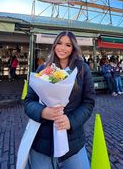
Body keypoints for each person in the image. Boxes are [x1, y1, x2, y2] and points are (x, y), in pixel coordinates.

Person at [24, 31, 95, 168]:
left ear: (73, 47)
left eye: (68, 45)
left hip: (73, 141)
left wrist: (71, 121)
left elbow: (88, 102)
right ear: (54, 45)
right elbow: (29, 101)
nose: (62, 48)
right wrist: (43, 112)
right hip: (41, 141)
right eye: (59, 43)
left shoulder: (82, 69)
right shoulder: (44, 68)